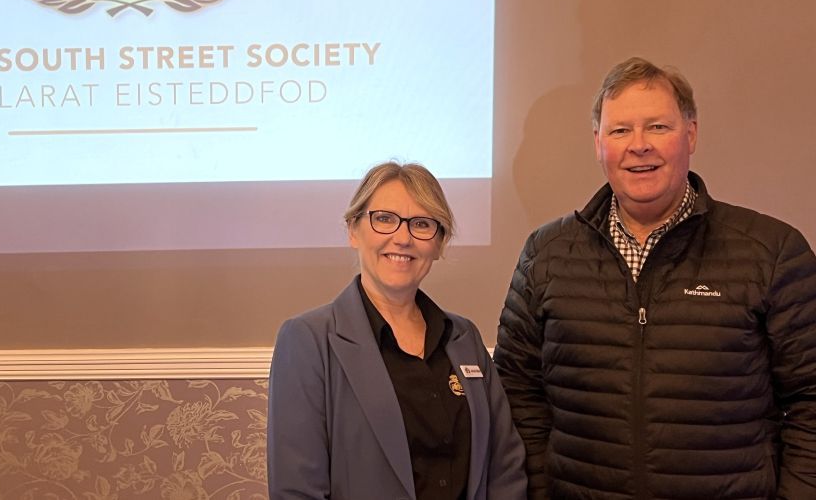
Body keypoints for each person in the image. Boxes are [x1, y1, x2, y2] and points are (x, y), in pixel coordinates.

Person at [494, 57, 816, 499]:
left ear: (691, 134)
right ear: (598, 143)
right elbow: (517, 391)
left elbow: (810, 399)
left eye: (658, 127)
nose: (639, 145)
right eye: (620, 130)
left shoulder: (771, 252)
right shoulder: (546, 254)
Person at [268, 162, 527, 500]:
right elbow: (297, 491)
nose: (403, 238)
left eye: (422, 224)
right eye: (385, 219)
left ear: (439, 244)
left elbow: (505, 467)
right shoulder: (307, 341)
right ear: (353, 230)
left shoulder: (464, 339)